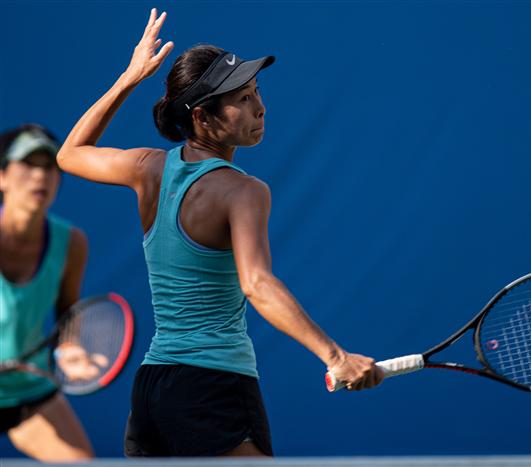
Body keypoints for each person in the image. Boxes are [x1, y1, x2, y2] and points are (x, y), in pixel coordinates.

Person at [56, 9, 383, 457]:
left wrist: (129, 79)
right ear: (202, 118)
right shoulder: (244, 191)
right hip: (213, 388)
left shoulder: (146, 168)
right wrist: (335, 357)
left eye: (256, 91)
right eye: (242, 99)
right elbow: (257, 284)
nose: (260, 107)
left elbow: (70, 153)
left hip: (152, 394)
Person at [0, 124, 93, 461]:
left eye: (50, 166)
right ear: (2, 176)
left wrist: (70, 348)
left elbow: (68, 312)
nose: (40, 175)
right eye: (28, 164)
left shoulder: (72, 243)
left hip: (29, 391)